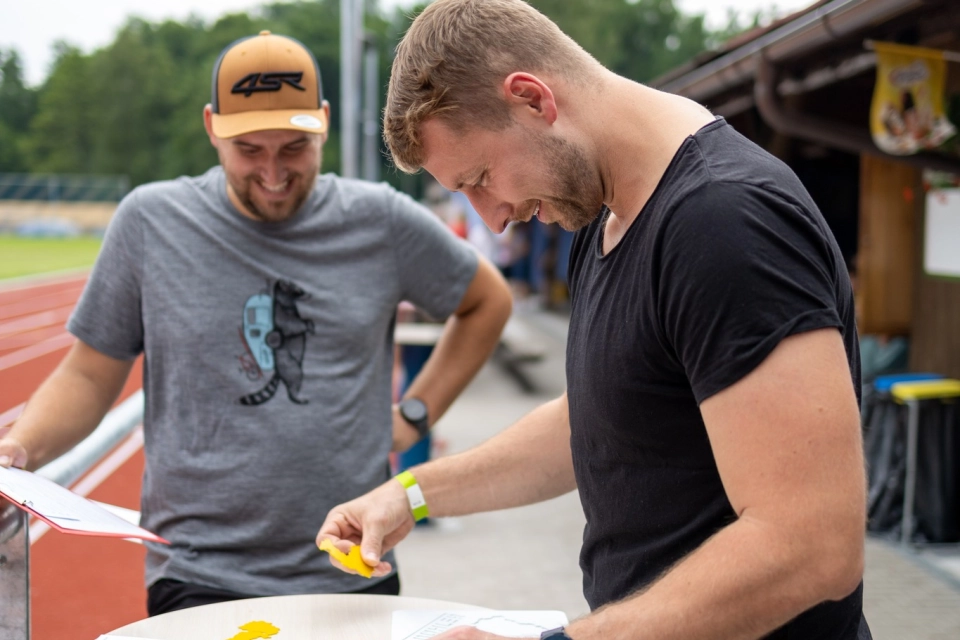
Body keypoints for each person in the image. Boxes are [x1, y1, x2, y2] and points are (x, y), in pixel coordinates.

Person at [317, 2, 870, 639]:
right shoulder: (600, 213)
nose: (494, 219)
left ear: (532, 99)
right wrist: (410, 493)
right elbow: (596, 419)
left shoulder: (726, 222)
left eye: (481, 178)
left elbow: (812, 545)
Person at [0, 31, 512, 616]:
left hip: (351, 566)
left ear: (323, 123)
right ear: (212, 127)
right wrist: (19, 448)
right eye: (250, 149)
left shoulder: (380, 221)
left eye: (294, 147)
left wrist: (415, 413)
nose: (273, 171)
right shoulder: (151, 223)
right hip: (198, 570)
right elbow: (90, 373)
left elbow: (485, 302)